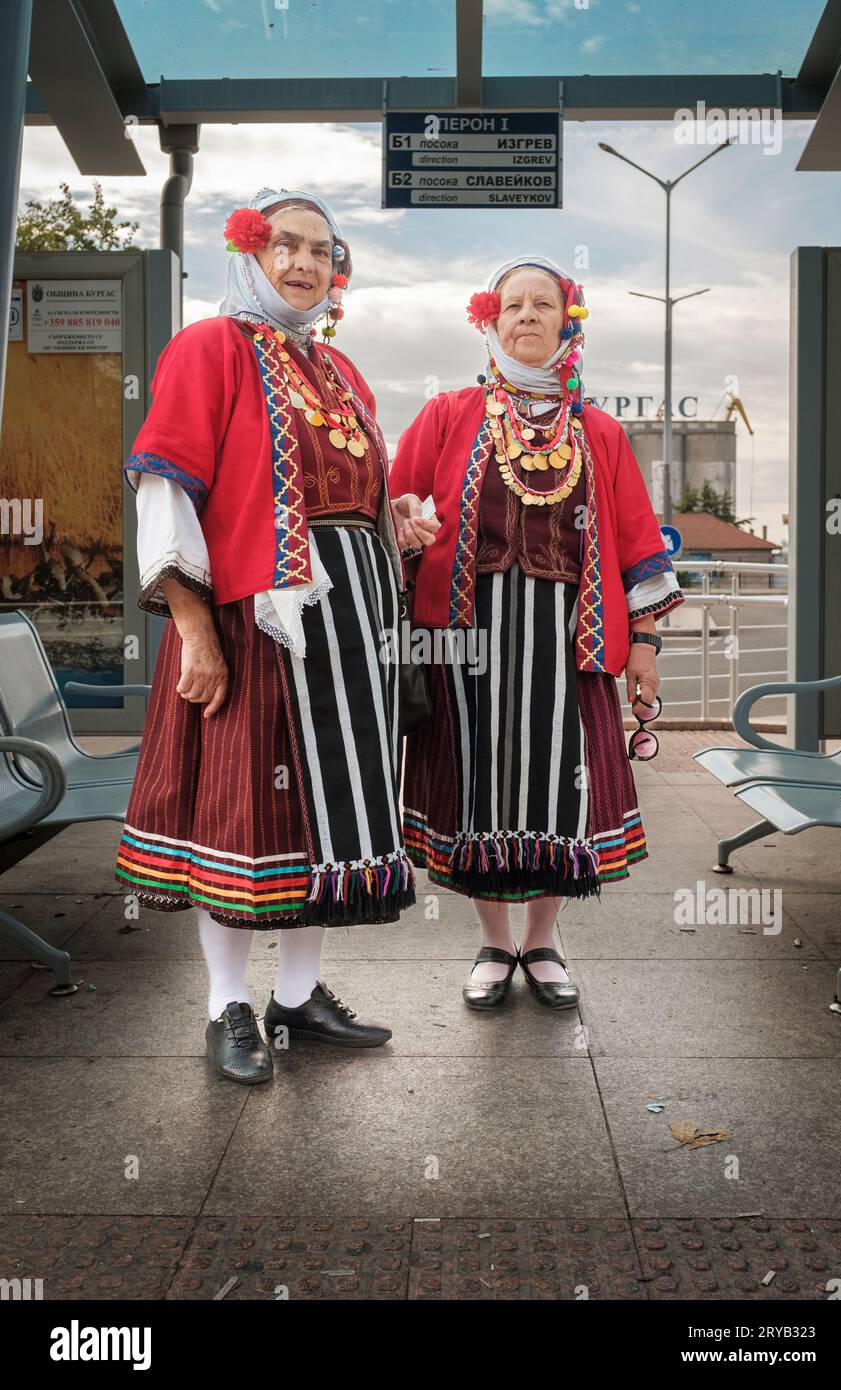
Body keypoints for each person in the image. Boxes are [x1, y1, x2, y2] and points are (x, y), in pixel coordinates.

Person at [116, 188, 430, 1083]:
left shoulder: (341, 372)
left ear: (338, 272)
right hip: (255, 620)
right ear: (250, 254)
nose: (303, 264)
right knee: (244, 812)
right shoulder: (209, 347)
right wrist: (194, 631)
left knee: (319, 815)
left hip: (350, 622)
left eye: (320, 252)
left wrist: (393, 515)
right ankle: (226, 1006)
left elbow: (347, 498)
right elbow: (165, 491)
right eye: (284, 245)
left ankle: (298, 996)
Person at [388, 256, 683, 1011]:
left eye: (542, 304)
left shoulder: (601, 432)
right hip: (467, 638)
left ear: (565, 320)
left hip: (569, 640)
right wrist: (406, 525)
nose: (526, 315)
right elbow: (393, 509)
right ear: (489, 320)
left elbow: (636, 542)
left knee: (563, 790)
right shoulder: (448, 414)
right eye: (511, 304)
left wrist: (644, 643)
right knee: (475, 783)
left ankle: (544, 941)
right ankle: (493, 941)